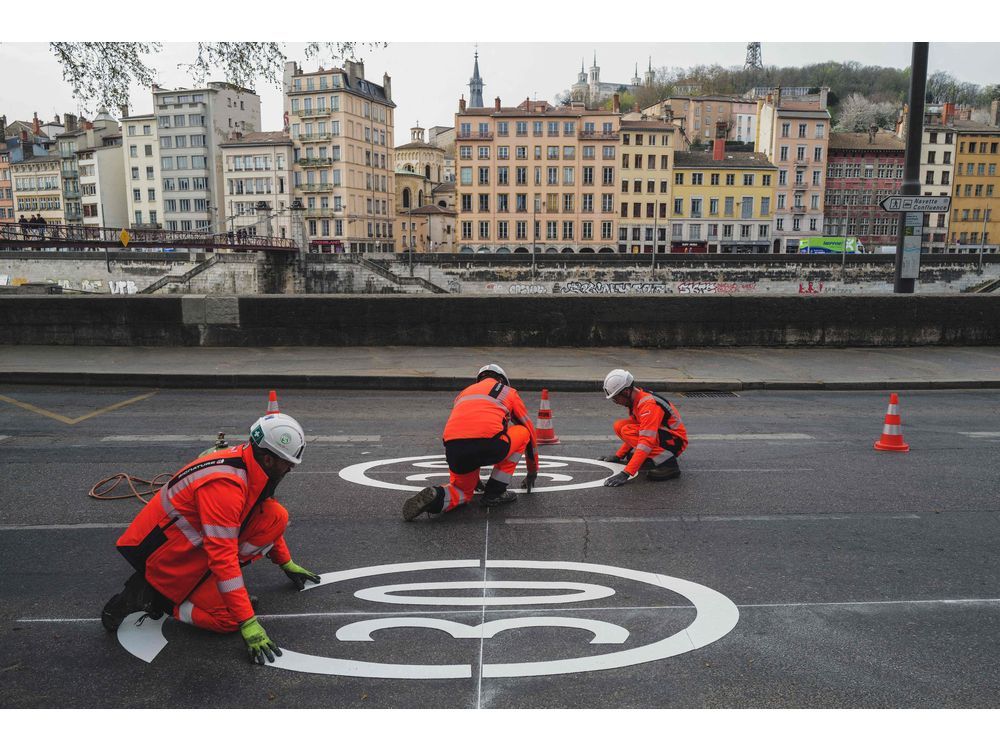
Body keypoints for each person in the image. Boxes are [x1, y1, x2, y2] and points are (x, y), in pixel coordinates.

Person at [101, 412, 321, 666]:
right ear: (269, 459)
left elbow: (255, 515)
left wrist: (285, 562)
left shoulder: (250, 463)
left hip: (192, 546)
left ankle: (207, 589)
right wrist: (248, 623)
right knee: (229, 619)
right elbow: (222, 558)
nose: (291, 468)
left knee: (275, 516)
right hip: (169, 556)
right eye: (288, 462)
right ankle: (161, 599)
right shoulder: (225, 488)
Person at [403, 363, 539, 520]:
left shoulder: (463, 393)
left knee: (461, 492)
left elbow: (470, 429)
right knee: (523, 432)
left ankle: (436, 497)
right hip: (490, 445)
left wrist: (474, 480)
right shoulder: (507, 392)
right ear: (502, 380)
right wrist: (532, 471)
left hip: (454, 449)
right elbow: (529, 429)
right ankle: (495, 493)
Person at [600, 368, 688, 487]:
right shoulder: (635, 401)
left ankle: (668, 463)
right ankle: (653, 457)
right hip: (665, 436)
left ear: (626, 392)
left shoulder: (648, 405)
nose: (615, 402)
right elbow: (637, 431)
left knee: (627, 430)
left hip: (674, 442)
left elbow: (646, 440)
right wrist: (618, 456)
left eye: (615, 398)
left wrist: (626, 473)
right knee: (620, 426)